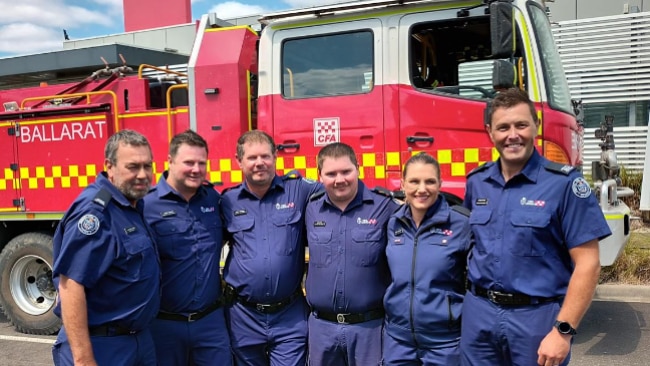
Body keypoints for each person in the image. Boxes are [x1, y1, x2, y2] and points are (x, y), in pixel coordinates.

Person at [460, 88, 612, 366]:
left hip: (536, 319)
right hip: (478, 314)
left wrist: (563, 331)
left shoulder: (564, 185)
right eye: (503, 127)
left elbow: (588, 264)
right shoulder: (477, 182)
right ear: (490, 132)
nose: (512, 135)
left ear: (536, 125)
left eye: (521, 125)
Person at [51, 130, 160, 366]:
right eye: (133, 167)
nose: (143, 175)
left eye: (147, 166)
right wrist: (84, 360)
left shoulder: (130, 204)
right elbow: (70, 286)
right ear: (109, 167)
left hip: (135, 341)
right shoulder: (96, 214)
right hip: (103, 346)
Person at [221, 130, 321, 366]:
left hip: (289, 316)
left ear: (275, 156)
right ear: (239, 162)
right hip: (243, 317)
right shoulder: (227, 201)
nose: (259, 163)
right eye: (252, 158)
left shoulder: (299, 190)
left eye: (265, 156)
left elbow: (340, 188)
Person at [143, 130, 232, 365]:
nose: (196, 169)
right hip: (164, 325)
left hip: (210, 323)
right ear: (170, 162)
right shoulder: (146, 204)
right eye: (189, 162)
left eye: (201, 163)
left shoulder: (213, 199)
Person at [305, 142, 398, 366]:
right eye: (331, 173)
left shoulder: (385, 206)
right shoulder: (310, 209)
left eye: (346, 171)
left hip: (369, 329)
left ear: (359, 168)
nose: (339, 179)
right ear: (319, 176)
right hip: (322, 329)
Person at [383, 152, 471, 365]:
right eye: (414, 181)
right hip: (398, 340)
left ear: (440, 183)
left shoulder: (461, 224)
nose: (422, 189)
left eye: (430, 181)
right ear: (403, 184)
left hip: (445, 342)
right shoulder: (393, 223)